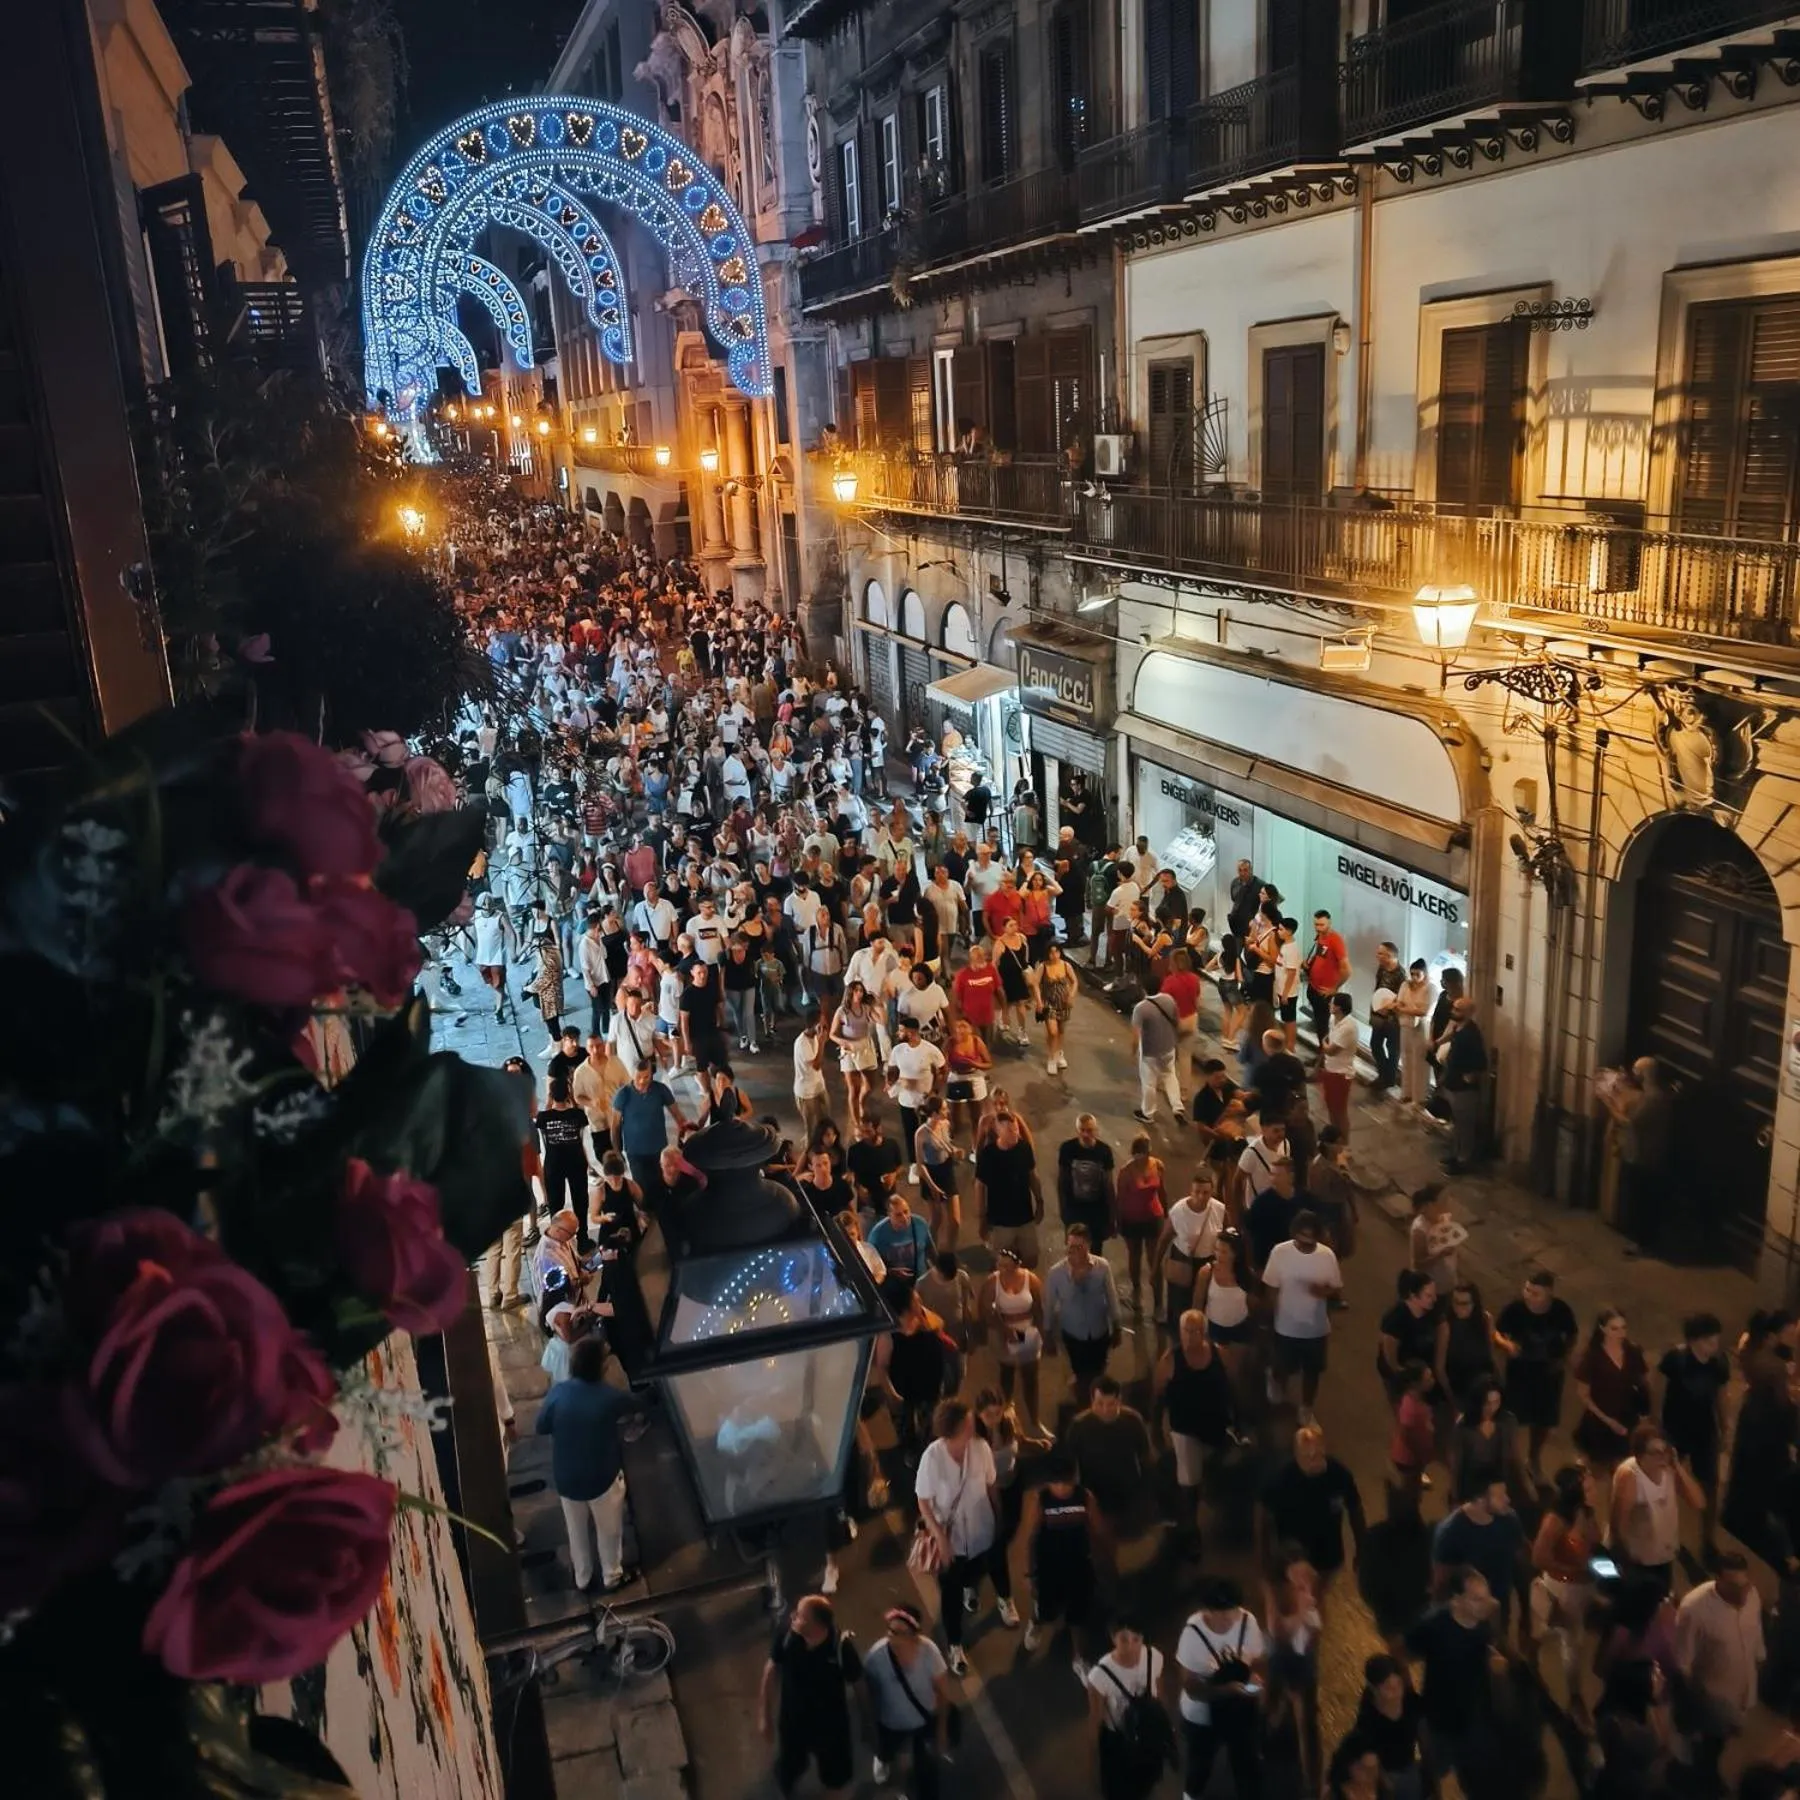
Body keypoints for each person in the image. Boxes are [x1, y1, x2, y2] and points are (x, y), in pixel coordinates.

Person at [535, 1335, 640, 1593]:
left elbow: (541, 1426)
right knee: (609, 1530)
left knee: (576, 1530)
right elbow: (637, 1403)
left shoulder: (559, 1392)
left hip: (566, 1477)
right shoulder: (609, 1397)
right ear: (599, 1367)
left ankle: (582, 1577)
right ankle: (611, 1576)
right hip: (601, 1478)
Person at [915, 1398, 1003, 1675]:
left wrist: (999, 1516)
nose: (973, 1426)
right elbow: (923, 1502)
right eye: (967, 1424)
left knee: (976, 1570)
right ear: (951, 1430)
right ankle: (954, 1644)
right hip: (950, 1539)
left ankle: (970, 1587)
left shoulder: (981, 1448)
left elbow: (991, 1484)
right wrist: (940, 1538)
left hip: (980, 1530)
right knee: (950, 1594)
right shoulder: (932, 1458)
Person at [1405, 1568, 1502, 1790]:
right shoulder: (1434, 1625)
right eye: (1477, 1599)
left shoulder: (1484, 1621)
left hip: (1473, 1718)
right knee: (1435, 1771)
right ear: (1456, 1600)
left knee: (1473, 1776)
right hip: (1441, 1720)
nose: (1486, 1604)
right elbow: (1405, 1651)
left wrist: (1491, 1658)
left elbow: (1487, 1644)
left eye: (1486, 1596)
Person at [1675, 1552, 1765, 1792]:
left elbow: (1755, 1633)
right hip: (1713, 1697)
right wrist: (1692, 1704)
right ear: (1718, 1579)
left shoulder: (1752, 1595)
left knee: (1724, 1738)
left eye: (1744, 1586)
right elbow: (1683, 1662)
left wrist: (1759, 1657)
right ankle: (1703, 1779)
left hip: (1743, 1689)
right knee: (1711, 1744)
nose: (1742, 1594)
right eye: (1734, 1587)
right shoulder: (1694, 1608)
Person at [760, 1593, 861, 1800]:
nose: (793, 1617)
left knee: (836, 1778)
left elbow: (859, 1683)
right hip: (793, 1723)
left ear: (817, 1626)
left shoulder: (841, 1648)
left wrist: (867, 1720)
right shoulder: (788, 1636)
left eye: (800, 1616)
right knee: (789, 1768)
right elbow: (770, 1670)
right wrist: (765, 1716)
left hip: (831, 1728)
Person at [1176, 1576, 1267, 1800]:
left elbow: (1258, 1659)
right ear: (1206, 1611)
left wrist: (1255, 1679)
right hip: (1201, 1715)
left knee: (1245, 1762)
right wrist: (1226, 1690)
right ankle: (1191, 1794)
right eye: (1222, 1615)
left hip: (1239, 1708)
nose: (1230, 1621)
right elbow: (1191, 1687)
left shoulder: (1247, 1622)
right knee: (1201, 1761)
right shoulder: (1192, 1634)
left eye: (1233, 1613)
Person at [1157, 1310, 1237, 1549]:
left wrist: (1238, 1420)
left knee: (1211, 1469)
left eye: (1196, 1331)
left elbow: (1232, 1389)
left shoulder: (1220, 1354)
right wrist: (1155, 1429)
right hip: (1185, 1428)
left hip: (1215, 1425)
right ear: (1180, 1332)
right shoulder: (1170, 1360)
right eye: (1187, 1331)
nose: (1191, 1336)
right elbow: (1158, 1396)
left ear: (1204, 1332)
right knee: (1189, 1480)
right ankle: (1190, 1528)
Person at [1022, 1449, 1107, 1669]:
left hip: (1078, 1562)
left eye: (1065, 1483)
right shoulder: (1041, 1499)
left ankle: (1078, 1658)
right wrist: (1029, 1573)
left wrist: (1102, 1559)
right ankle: (1036, 1621)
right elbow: (1031, 1537)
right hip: (1049, 1565)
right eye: (1056, 1483)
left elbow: (1098, 1529)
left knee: (1078, 1614)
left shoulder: (1085, 1497)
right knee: (1046, 1607)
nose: (1061, 1488)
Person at [1657, 1310, 1729, 1558]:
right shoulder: (1676, 1360)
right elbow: (1658, 1391)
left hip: (1704, 1430)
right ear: (1695, 1341)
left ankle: (1707, 1540)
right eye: (1709, 1341)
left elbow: (1721, 1396)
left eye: (1716, 1339)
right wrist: (1657, 1426)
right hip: (1674, 1429)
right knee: (1666, 1481)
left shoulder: (1718, 1363)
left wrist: (1724, 1428)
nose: (1715, 1346)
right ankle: (1664, 1533)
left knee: (1710, 1485)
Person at [1258, 1426, 1366, 1590]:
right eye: (1307, 1456)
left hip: (1329, 1555)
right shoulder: (1281, 1480)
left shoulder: (1339, 1475)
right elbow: (1263, 1517)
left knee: (1318, 1593)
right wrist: (1265, 1562)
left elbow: (1355, 1509)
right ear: (1297, 1456)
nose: (1314, 1460)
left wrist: (1361, 1548)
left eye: (1317, 1454)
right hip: (1294, 1556)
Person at [1494, 1268, 1579, 1476]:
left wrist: (1564, 1358)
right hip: (1520, 1374)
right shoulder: (1515, 1309)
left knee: (1543, 1421)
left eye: (1535, 1293)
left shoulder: (1560, 1310)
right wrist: (1507, 1345)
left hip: (1549, 1375)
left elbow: (1572, 1334)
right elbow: (1496, 1332)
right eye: (1527, 1290)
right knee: (1511, 1419)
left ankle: (1533, 1458)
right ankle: (1508, 1459)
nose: (1529, 1296)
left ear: (1549, 1293)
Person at [862, 1604, 951, 1797]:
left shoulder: (929, 1652)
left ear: (913, 1635)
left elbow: (942, 1691)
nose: (890, 1636)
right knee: (893, 1757)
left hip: (922, 1720)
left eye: (898, 1632)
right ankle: (885, 1762)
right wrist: (870, 1720)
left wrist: (941, 1729)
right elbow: (867, 1690)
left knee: (924, 1767)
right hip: (890, 1723)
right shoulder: (876, 1656)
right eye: (890, 1629)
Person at [1261, 1209, 1341, 1416]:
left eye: (1310, 1241)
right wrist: (1272, 1315)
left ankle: (1306, 1407)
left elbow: (1335, 1287)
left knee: (1312, 1371)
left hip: (1316, 1328)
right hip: (1286, 1325)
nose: (1306, 1245)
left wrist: (1323, 1292)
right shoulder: (1280, 1252)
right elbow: (1271, 1287)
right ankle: (1276, 1381)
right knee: (1283, 1366)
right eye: (1302, 1239)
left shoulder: (1327, 1256)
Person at [1609, 1422, 1704, 1597]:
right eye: (1655, 1453)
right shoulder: (1630, 1476)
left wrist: (1677, 1466)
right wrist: (1625, 1561)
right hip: (1638, 1560)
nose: (1662, 1458)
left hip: (1663, 1555)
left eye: (1665, 1451)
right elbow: (1618, 1525)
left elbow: (1699, 1503)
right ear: (1640, 1456)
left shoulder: (1669, 1470)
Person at [1086, 1613, 1170, 1800]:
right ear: (1113, 1638)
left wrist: (1165, 1729)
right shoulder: (1099, 1676)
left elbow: (1160, 1692)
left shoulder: (1154, 1656)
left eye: (1136, 1639)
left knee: (1145, 1785)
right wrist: (1093, 1763)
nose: (1131, 1646)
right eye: (1124, 1639)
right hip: (1118, 1743)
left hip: (1148, 1737)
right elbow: (1095, 1720)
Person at [1432, 1478, 1526, 1636]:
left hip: (1499, 1618)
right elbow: (1441, 1585)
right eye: (1500, 1495)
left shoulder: (1510, 1521)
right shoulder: (1450, 1531)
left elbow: (1519, 1567)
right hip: (1464, 1622)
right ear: (1480, 1498)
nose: (1507, 1499)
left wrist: (1526, 1615)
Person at [1044, 1224, 1123, 1410]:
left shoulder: (1102, 1267)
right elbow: (1049, 1306)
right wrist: (1047, 1334)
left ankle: (1097, 1407)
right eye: (1071, 1247)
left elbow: (1112, 1297)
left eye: (1079, 1247)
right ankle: (1084, 1409)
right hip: (1073, 1335)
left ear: (1088, 1245)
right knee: (1080, 1377)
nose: (1074, 1252)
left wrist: (1117, 1326)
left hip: (1099, 1331)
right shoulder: (1056, 1273)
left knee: (1099, 1374)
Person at [1064, 1375, 1154, 1536]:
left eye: (1111, 1404)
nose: (1105, 1410)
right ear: (1091, 1401)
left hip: (1127, 1493)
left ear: (1120, 1401)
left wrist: (1146, 1496)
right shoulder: (1078, 1426)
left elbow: (1146, 1459)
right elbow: (1069, 1466)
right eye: (1100, 1404)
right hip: (1095, 1495)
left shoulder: (1133, 1421)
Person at [1603, 1054, 1674, 1250]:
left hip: (1644, 1157)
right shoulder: (1652, 1095)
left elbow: (1631, 1122)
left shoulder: (1653, 1098)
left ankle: (1642, 1241)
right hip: (1643, 1155)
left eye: (1637, 1071)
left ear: (1645, 1074)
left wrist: (1610, 1105)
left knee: (1641, 1200)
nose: (1634, 1074)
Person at [1573, 1306, 1652, 1471]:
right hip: (1599, 1421)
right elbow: (1584, 1395)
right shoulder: (1592, 1356)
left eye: (1623, 1328)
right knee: (1597, 1468)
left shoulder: (1633, 1352)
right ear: (1602, 1329)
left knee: (1625, 1469)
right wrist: (1609, 1421)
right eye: (1614, 1328)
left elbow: (1643, 1384)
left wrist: (1644, 1416)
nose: (1620, 1333)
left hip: (1627, 1418)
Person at [1156, 1167, 1226, 1335]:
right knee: (1179, 1303)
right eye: (1197, 1192)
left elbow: (1227, 1237)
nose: (1201, 1196)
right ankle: (1178, 1335)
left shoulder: (1219, 1209)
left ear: (1212, 1192)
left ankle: (1198, 1335)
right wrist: (1155, 1268)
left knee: (1203, 1303)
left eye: (1206, 1192)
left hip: (1207, 1264)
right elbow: (1164, 1239)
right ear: (1191, 1191)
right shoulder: (1179, 1211)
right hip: (1183, 1261)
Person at [982, 1247, 1046, 1428]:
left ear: (1017, 1264)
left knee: (1030, 1377)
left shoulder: (1031, 1279)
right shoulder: (992, 1281)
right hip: (1004, 1335)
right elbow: (985, 1311)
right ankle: (1005, 1421)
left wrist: (1043, 1335)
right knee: (1007, 1376)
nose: (1002, 1269)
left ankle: (1034, 1421)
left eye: (1007, 1266)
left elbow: (1039, 1309)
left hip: (1028, 1332)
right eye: (1000, 1265)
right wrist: (1004, 1330)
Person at [610, 1059, 687, 1202]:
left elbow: (678, 1116)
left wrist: (684, 1138)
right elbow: (615, 1126)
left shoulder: (660, 1090)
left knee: (661, 1187)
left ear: (651, 1074)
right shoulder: (623, 1094)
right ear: (632, 1075)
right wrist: (617, 1152)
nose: (642, 1081)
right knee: (641, 1189)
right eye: (638, 1077)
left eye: (646, 1077)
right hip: (635, 1152)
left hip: (659, 1150)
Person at [1353, 1654, 1427, 1800]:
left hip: (1408, 1769)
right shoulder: (1368, 1717)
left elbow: (1423, 1727)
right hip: (1387, 1776)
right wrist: (1384, 1782)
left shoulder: (1408, 1701)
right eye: (1388, 1687)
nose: (1395, 1692)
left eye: (1398, 1684)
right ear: (1375, 1689)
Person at [975, 1110, 1043, 1268]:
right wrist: (982, 1218)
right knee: (1003, 1264)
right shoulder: (989, 1155)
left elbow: (1032, 1176)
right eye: (1010, 1131)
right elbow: (979, 1186)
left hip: (1025, 1217)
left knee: (1031, 1259)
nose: (1015, 1134)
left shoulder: (1024, 1148)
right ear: (998, 1131)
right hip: (1001, 1223)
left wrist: (1040, 1202)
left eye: (1016, 1129)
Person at [1112, 1135, 1167, 1315]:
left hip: (1153, 1218)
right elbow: (1120, 1199)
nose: (1140, 1158)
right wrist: (1118, 1221)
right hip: (1132, 1219)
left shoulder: (1157, 1166)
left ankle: (1158, 1302)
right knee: (1134, 1256)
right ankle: (1136, 1292)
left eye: (1143, 1154)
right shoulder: (1126, 1172)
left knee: (1155, 1259)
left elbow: (1162, 1190)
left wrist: (1167, 1213)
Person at [1437, 997, 1488, 1172]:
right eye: (1454, 1008)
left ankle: (1463, 1160)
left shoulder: (1472, 1034)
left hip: (1464, 1090)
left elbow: (1481, 1062)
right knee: (1457, 1124)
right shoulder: (1458, 1029)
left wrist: (1470, 1076)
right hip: (1453, 1084)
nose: (1453, 1011)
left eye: (1458, 1009)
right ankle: (1456, 1154)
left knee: (1465, 1126)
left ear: (1468, 1013)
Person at [1057, 1114, 1118, 1255]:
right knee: (1075, 1251)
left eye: (1089, 1130)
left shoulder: (1104, 1151)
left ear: (1096, 1130)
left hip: (1096, 1211)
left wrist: (1112, 1217)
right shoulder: (1067, 1149)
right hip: (1075, 1210)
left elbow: (1108, 1185)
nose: (1085, 1134)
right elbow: (1062, 1181)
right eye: (1082, 1130)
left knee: (1095, 1252)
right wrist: (1064, 1212)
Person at [1129, 985, 1183, 1125]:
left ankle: (1148, 1113)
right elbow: (1177, 1022)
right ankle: (1177, 1107)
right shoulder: (1169, 1000)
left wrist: (1133, 1052)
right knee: (1170, 1076)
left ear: (1143, 989)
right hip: (1169, 1047)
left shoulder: (1140, 1008)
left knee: (1149, 1083)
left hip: (1150, 1052)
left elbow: (1136, 1035)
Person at [1302, 909, 1351, 1053]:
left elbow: (1347, 970)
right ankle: (1321, 1054)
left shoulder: (1335, 940)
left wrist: (1334, 988)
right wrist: (1308, 964)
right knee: (1319, 1025)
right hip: (1313, 987)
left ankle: (1323, 1057)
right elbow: (1320, 956)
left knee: (1323, 1028)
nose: (1318, 928)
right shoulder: (1320, 937)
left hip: (1324, 992)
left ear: (1329, 923)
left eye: (1322, 925)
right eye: (1316, 925)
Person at [1320, 993, 1359, 1140]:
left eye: (1332, 1003)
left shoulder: (1348, 1027)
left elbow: (1331, 1050)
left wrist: (1323, 1043)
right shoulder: (1333, 1019)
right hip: (1330, 1069)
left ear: (1339, 1008)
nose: (1329, 1005)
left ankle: (1344, 1142)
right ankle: (1335, 1138)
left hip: (1341, 1073)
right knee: (1331, 1107)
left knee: (1340, 1111)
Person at [793, 1013, 830, 1142]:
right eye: (822, 1024)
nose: (825, 1027)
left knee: (825, 1123)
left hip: (819, 1087)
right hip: (806, 1093)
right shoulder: (802, 1043)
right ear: (814, 1025)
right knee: (811, 1130)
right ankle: (810, 1150)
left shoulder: (815, 1037)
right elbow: (816, 1065)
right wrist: (821, 1043)